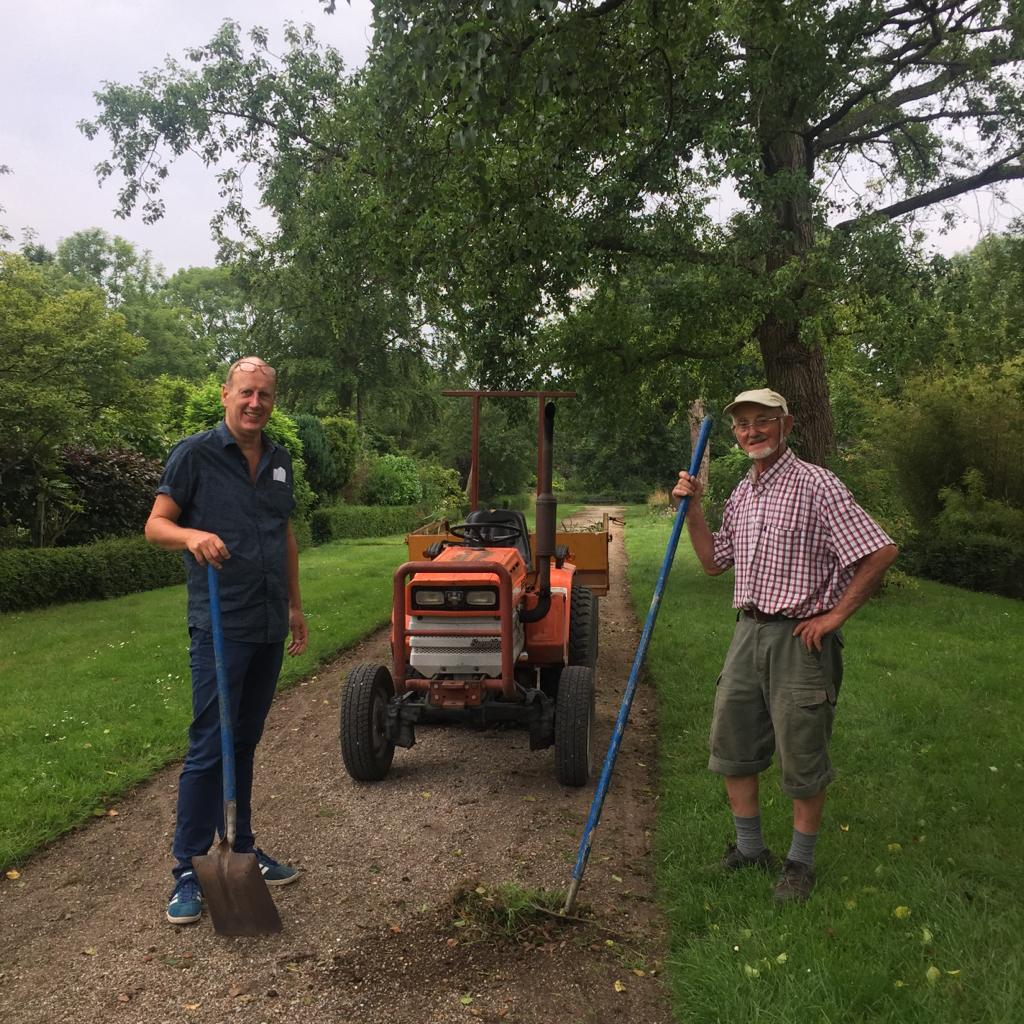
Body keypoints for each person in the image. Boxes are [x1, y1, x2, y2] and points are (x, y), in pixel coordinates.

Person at [672, 388, 897, 902]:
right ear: (735, 433)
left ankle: (800, 864)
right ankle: (750, 850)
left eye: (762, 421)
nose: (752, 431)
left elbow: (880, 551)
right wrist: (693, 512)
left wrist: (836, 615)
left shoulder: (817, 485)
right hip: (747, 631)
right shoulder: (742, 493)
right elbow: (713, 563)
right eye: (743, 424)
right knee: (733, 744)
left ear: (786, 425)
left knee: (802, 752)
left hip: (800, 639)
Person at [145, 356, 309, 925]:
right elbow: (156, 524)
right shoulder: (194, 454)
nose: (255, 403)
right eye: (246, 392)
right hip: (220, 621)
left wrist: (294, 606)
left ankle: (241, 846)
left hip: (266, 621)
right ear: (225, 394)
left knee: (243, 742)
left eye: (264, 395)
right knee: (210, 743)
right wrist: (192, 535)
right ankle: (189, 870)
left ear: (273, 400)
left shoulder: (281, 461)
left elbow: (282, 535)